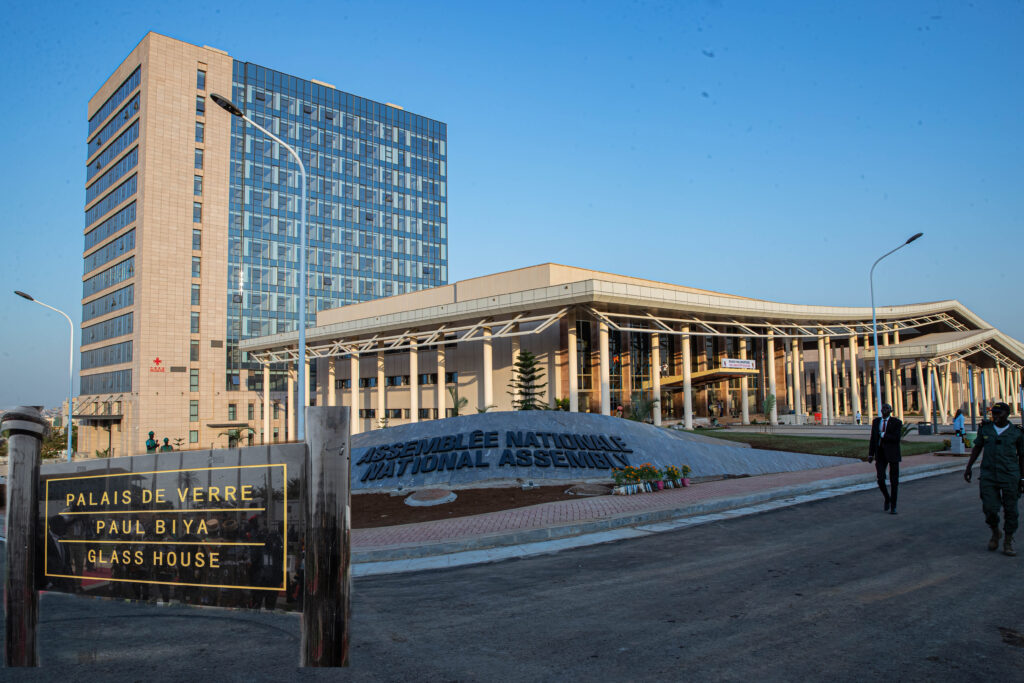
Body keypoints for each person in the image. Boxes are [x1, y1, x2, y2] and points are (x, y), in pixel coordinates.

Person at [963, 402, 1024, 556]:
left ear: (1007, 414)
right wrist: (969, 467)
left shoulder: (1016, 432)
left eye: (998, 413)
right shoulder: (986, 429)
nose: (995, 416)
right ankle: (995, 532)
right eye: (993, 413)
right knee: (989, 508)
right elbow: (977, 448)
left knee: (1011, 510)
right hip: (989, 475)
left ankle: (1008, 541)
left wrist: (1022, 478)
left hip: (1010, 475)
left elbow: (1022, 456)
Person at [868, 403, 902, 514]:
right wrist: (870, 454)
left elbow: (896, 438)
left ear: (891, 411)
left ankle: (893, 506)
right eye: (883, 408)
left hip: (893, 454)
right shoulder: (876, 422)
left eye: (887, 408)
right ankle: (887, 497)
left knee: (894, 482)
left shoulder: (897, 422)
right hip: (880, 454)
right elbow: (873, 439)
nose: (884, 409)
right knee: (880, 479)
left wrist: (884, 435)